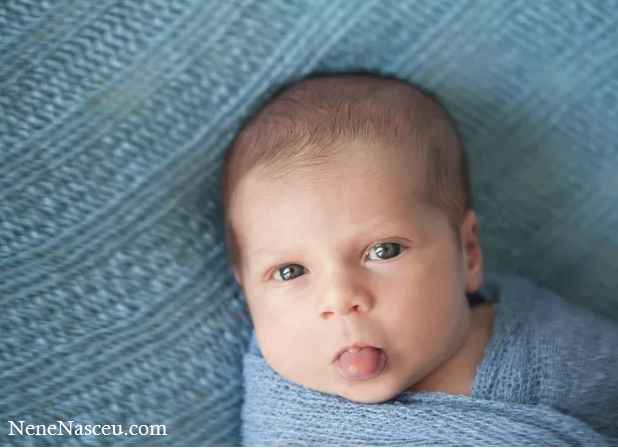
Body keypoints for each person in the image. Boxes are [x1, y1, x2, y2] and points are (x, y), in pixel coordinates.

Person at [219, 73, 618, 445]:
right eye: (290, 271)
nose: (341, 299)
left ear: (469, 253)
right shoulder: (286, 425)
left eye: (384, 250)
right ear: (248, 294)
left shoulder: (559, 351)